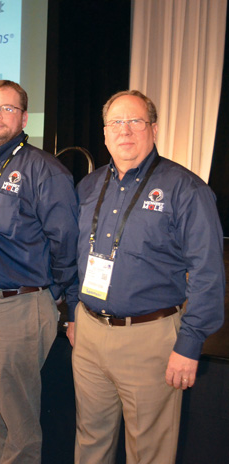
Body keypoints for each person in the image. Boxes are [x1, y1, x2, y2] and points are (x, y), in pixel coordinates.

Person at [68, 90, 225, 463]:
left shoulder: (186, 189)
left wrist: (190, 343)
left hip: (150, 339)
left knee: (149, 452)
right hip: (89, 335)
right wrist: (74, 310)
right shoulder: (89, 186)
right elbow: (76, 254)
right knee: (90, 442)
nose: (125, 131)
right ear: (104, 134)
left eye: (135, 121)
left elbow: (208, 272)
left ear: (153, 129)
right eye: (116, 123)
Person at [0, 80, 79, 463]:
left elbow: (66, 241)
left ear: (23, 117)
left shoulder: (44, 170)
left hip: (16, 306)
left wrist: (56, 295)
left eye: (6, 109)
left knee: (19, 424)